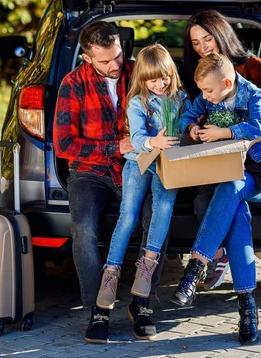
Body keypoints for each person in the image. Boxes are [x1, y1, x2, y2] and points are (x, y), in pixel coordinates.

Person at [53, 21, 157, 344]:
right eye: (105, 61)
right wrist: (115, 147)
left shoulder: (136, 71)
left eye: (117, 56)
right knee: (83, 228)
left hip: (135, 167)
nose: (115, 65)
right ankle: (97, 310)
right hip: (90, 172)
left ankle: (141, 303)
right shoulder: (72, 85)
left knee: (156, 215)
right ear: (87, 58)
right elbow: (65, 145)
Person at [183, 10, 261, 288]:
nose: (202, 47)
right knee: (225, 200)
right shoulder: (200, 78)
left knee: (232, 189)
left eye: (207, 39)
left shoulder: (260, 72)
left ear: (221, 34)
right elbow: (194, 113)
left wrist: (255, 137)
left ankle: (206, 264)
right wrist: (193, 128)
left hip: (255, 164)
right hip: (218, 164)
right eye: (195, 43)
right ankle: (231, 274)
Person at [171, 53, 261, 344]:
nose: (205, 97)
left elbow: (259, 127)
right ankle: (247, 307)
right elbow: (188, 115)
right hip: (223, 172)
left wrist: (224, 132)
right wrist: (190, 128)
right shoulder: (208, 95)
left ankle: (195, 268)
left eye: (209, 92)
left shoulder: (252, 93)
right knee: (237, 212)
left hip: (255, 173)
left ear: (227, 82)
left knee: (233, 186)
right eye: (202, 91)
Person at [95, 44, 190, 340]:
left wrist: (192, 131)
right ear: (143, 80)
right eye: (152, 80)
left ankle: (145, 271)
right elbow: (135, 138)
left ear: (170, 73)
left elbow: (188, 126)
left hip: (169, 166)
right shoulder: (138, 103)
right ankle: (110, 277)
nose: (159, 84)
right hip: (139, 163)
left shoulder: (181, 99)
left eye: (163, 77)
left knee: (163, 208)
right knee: (128, 216)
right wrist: (154, 141)